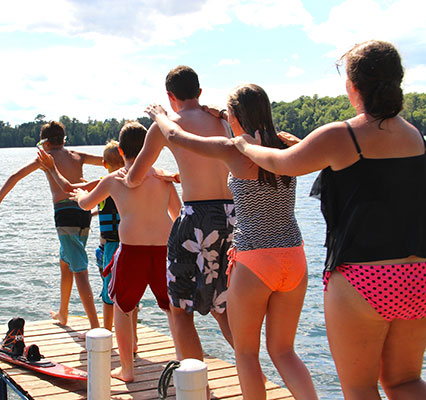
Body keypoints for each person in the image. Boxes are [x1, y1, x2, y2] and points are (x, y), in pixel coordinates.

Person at [233, 40, 426, 399]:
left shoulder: (343, 134)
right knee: (404, 382)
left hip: (363, 279)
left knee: (360, 388)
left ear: (352, 86)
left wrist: (244, 146)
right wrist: (305, 143)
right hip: (416, 276)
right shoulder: (413, 136)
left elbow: (279, 163)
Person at [144, 82, 318, 400]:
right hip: (294, 258)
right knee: (283, 352)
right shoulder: (285, 145)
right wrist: (225, 113)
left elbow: (176, 137)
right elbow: (307, 149)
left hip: (255, 260)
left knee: (247, 354)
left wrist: (160, 116)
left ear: (236, 116)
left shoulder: (233, 149)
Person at [118, 66, 235, 373]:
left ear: (170, 97)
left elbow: (133, 179)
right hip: (231, 219)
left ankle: (198, 388)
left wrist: (154, 176)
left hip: (197, 220)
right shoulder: (224, 122)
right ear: (200, 91)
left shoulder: (167, 125)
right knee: (224, 307)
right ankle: (254, 374)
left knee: (180, 309)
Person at [70, 121, 181, 382]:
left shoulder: (113, 179)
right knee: (173, 309)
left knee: (122, 308)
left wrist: (77, 195)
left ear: (120, 151)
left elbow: (86, 205)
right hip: (163, 250)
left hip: (132, 251)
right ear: (149, 148)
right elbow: (178, 215)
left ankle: (127, 369)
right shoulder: (163, 177)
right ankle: (183, 365)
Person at [0, 121, 102, 334]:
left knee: (79, 268)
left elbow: (14, 177)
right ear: (64, 139)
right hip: (83, 210)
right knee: (66, 261)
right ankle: (63, 313)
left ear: (45, 143)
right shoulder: (77, 155)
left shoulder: (46, 160)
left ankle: (95, 327)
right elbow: (109, 161)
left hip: (65, 213)